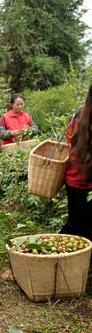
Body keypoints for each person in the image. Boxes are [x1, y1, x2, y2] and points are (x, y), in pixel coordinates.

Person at [60, 85, 92, 240]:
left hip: (73, 180)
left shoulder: (78, 113)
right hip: (86, 183)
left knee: (75, 224)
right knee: (84, 227)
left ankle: (56, 256)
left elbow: (69, 138)